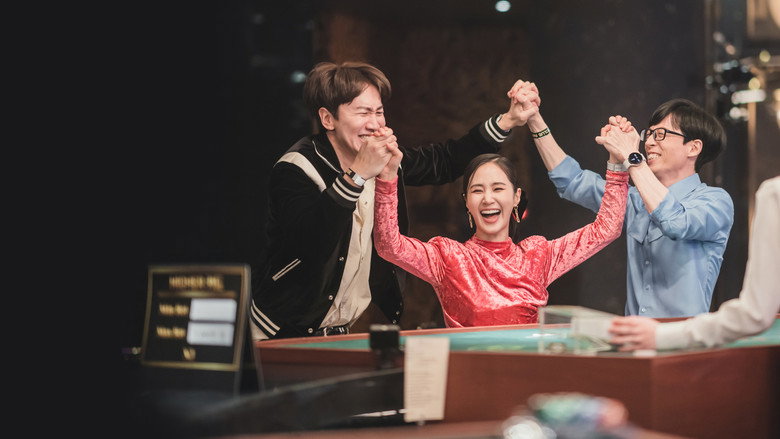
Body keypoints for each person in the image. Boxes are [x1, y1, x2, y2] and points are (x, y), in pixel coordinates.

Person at [249, 61, 536, 340]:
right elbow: (311, 243)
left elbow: (444, 161)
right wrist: (358, 174)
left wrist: (508, 120)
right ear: (328, 119)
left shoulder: (381, 160)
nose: (375, 124)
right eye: (363, 112)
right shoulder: (295, 168)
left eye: (379, 112)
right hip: (277, 332)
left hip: (336, 333)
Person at [372, 115, 631, 326]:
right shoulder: (448, 257)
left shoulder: (537, 256)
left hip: (525, 368)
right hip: (469, 369)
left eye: (497, 188)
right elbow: (389, 245)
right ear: (466, 201)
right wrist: (387, 178)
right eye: (477, 191)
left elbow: (606, 229)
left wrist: (617, 164)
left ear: (516, 197)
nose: (488, 199)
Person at [509, 80, 734, 318]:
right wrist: (534, 119)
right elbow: (571, 181)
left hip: (683, 337)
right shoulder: (636, 199)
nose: (649, 142)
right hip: (634, 334)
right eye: (649, 134)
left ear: (693, 148)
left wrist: (630, 156)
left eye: (661, 134)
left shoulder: (715, 202)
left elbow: (675, 222)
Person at [609, 176, 779, 351]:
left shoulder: (767, 194)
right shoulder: (634, 198)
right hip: (637, 340)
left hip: (682, 346)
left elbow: (755, 314)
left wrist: (662, 336)